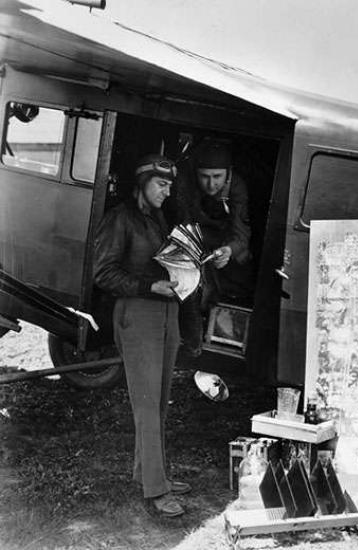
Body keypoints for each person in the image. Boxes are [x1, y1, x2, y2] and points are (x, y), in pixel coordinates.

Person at [93, 154, 190, 518]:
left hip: (166, 312)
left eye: (169, 186)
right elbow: (103, 273)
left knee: (160, 399)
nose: (167, 191)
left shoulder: (155, 217)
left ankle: (151, 472)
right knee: (147, 404)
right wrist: (151, 286)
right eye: (161, 184)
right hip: (137, 314)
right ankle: (156, 489)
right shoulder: (120, 219)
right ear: (143, 183)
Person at [178, 139, 254, 359]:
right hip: (193, 235)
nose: (211, 185)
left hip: (224, 239)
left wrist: (229, 250)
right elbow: (183, 223)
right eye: (205, 177)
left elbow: (242, 234)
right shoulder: (185, 183)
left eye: (217, 177)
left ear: (228, 174)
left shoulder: (237, 187)